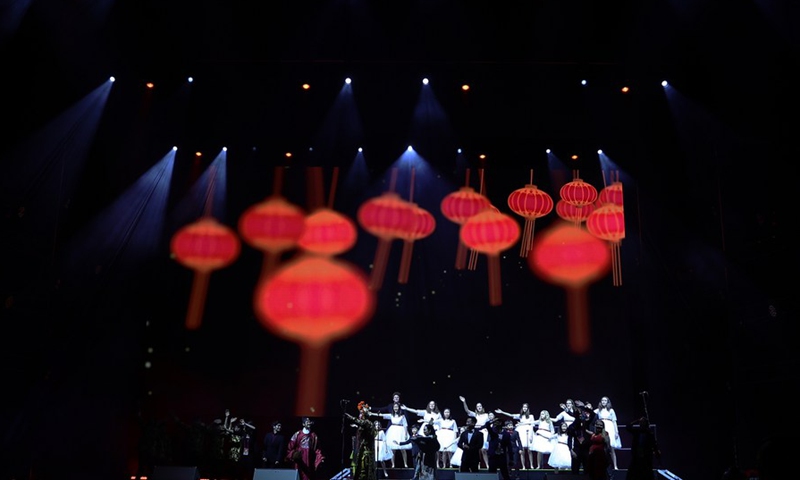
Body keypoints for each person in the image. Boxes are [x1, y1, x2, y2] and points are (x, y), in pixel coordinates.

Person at [344, 401, 378, 480]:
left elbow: (359, 422)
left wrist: (348, 416)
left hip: (366, 452)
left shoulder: (368, 423)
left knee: (364, 470)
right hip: (363, 450)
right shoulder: (366, 423)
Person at [495, 403, 535, 469]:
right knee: (522, 450)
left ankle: (531, 465)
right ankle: (523, 466)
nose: (524, 408)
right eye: (523, 407)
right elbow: (511, 415)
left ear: (528, 408)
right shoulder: (520, 416)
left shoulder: (531, 416)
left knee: (529, 450)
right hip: (522, 431)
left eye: (526, 407)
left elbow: (532, 425)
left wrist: (531, 435)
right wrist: (502, 412)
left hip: (528, 431)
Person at [375, 402, 412, 468]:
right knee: (392, 449)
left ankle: (405, 464)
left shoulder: (402, 416)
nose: (395, 408)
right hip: (393, 432)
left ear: (399, 408)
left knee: (403, 449)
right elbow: (382, 415)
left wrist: (406, 434)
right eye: (394, 407)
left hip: (401, 431)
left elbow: (405, 425)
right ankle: (393, 464)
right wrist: (372, 413)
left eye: (397, 407)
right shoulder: (391, 415)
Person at [459, 396, 490, 469]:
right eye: (477, 406)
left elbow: (489, 424)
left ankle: (487, 465)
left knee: (483, 449)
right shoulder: (475, 415)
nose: (479, 407)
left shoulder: (486, 415)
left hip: (484, 431)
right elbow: (467, 410)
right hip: (476, 432)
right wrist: (464, 402)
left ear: (482, 407)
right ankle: (477, 464)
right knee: (476, 449)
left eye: (480, 406)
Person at [567, 400, 596, 475]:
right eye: (578, 415)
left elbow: (593, 414)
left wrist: (583, 407)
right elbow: (569, 438)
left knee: (587, 470)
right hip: (576, 450)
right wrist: (571, 450)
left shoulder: (587, 424)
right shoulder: (572, 426)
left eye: (582, 415)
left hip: (586, 449)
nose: (580, 416)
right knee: (575, 471)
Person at [594, 396, 621, 470]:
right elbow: (591, 413)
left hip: (610, 427)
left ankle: (615, 466)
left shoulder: (611, 410)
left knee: (611, 448)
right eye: (602, 400)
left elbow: (614, 421)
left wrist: (616, 431)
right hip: (602, 427)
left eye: (605, 400)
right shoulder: (598, 410)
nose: (603, 402)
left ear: (608, 402)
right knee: (602, 447)